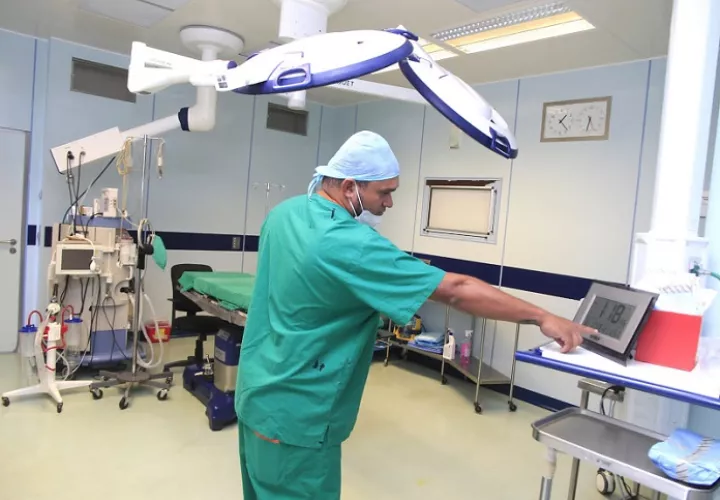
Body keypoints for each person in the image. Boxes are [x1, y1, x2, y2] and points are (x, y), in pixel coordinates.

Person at [234, 130, 597, 499]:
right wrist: (541, 316)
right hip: (297, 416)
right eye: (384, 192)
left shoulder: (284, 214)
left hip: (257, 394)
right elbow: (456, 290)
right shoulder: (349, 243)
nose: (389, 202)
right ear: (349, 187)